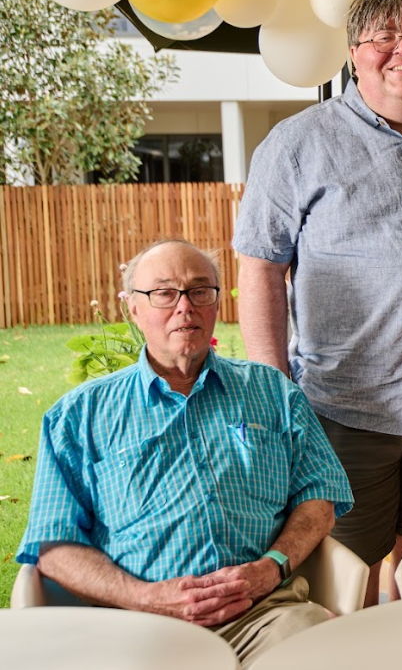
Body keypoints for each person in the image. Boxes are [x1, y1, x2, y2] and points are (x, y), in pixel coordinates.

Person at [232, 0, 402, 605]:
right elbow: (259, 270)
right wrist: (278, 395)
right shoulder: (297, 145)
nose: (401, 49)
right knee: (343, 583)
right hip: (343, 411)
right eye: (382, 36)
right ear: (354, 53)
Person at [16, 240, 353, 667]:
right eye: (163, 293)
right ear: (132, 308)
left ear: (215, 302)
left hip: (265, 614)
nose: (184, 306)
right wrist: (143, 596)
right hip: (137, 623)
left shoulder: (273, 393)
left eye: (199, 291)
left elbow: (319, 496)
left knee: (326, 654)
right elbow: (54, 545)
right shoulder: (78, 416)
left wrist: (272, 566)